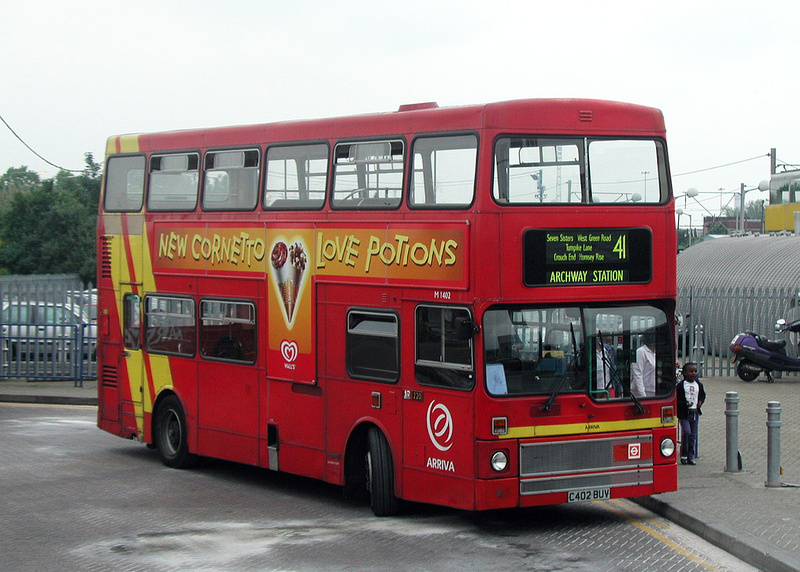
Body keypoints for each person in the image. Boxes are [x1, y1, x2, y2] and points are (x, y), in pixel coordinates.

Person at [677, 362, 706, 465]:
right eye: (691, 371)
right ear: (685, 373)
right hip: (685, 414)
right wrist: (685, 404)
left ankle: (691, 456)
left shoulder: (699, 385)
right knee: (687, 433)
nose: (693, 373)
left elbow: (702, 395)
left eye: (695, 371)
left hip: (694, 413)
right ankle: (683, 454)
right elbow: (677, 400)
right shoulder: (681, 386)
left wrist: (700, 402)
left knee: (693, 435)